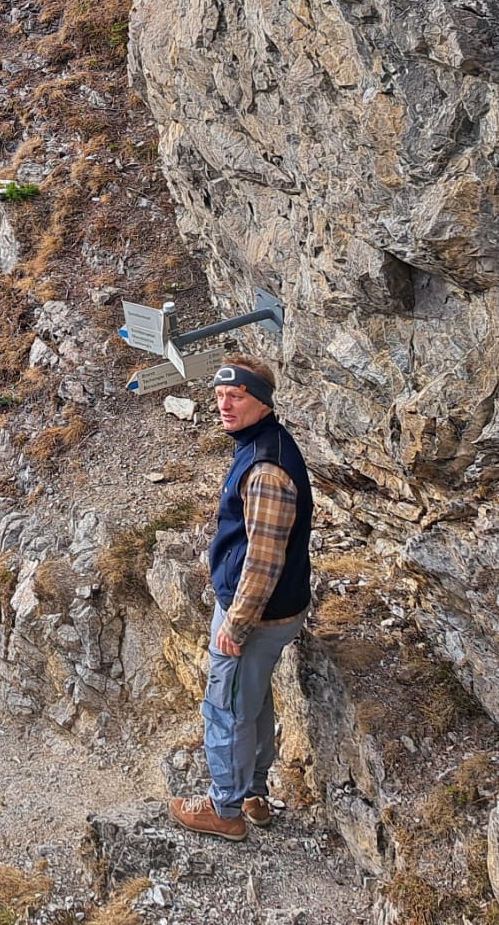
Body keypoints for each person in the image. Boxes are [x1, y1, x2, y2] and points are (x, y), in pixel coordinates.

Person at [169, 354, 313, 842]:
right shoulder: (261, 443)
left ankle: (224, 808)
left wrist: (237, 624)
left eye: (238, 397)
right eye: (220, 396)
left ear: (263, 403)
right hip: (269, 610)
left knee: (226, 707)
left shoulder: (266, 469)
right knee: (250, 701)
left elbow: (264, 559)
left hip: (254, 614)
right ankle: (252, 792)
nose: (225, 406)